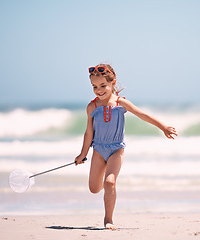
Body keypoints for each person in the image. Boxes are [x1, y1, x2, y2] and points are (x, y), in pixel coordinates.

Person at [75, 63, 177, 230]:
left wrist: (162, 127)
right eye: (94, 86)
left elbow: (142, 115)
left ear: (113, 83)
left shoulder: (121, 103)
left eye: (103, 86)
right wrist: (82, 154)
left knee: (110, 182)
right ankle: (104, 183)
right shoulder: (92, 107)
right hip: (99, 151)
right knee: (94, 189)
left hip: (116, 150)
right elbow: (88, 133)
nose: (99, 90)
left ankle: (108, 219)